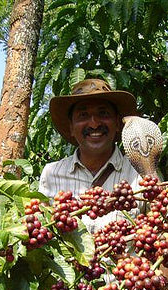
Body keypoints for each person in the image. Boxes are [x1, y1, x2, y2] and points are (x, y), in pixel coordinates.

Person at [39, 78, 143, 233]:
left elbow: (166, 229)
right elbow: (42, 233)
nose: (94, 124)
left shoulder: (140, 171)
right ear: (71, 128)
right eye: (83, 115)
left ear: (117, 124)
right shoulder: (51, 174)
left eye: (103, 113)